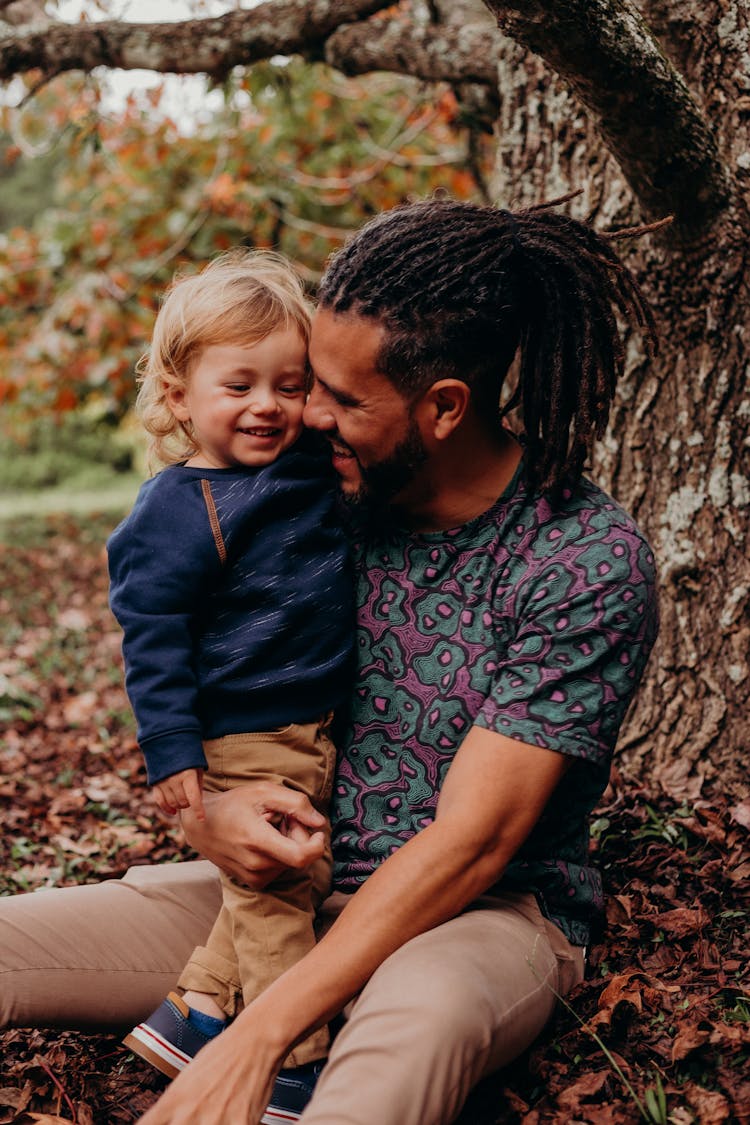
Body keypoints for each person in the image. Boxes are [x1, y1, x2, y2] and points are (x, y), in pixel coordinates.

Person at [0, 198, 659, 1125]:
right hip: (280, 889)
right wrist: (210, 818)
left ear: (441, 408)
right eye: (313, 382)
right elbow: (190, 651)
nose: (304, 413)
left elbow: (473, 845)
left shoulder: (580, 560)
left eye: (341, 399)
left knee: (401, 1044)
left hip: (477, 919)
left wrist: (261, 1036)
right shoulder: (321, 498)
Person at [106, 250, 353, 1083]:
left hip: (312, 721)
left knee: (295, 870)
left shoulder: (305, 467)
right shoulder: (176, 509)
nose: (267, 405)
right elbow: (152, 635)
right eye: (239, 384)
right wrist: (173, 751)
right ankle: (289, 1061)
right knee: (280, 891)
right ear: (178, 395)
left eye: (289, 385)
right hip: (245, 728)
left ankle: (196, 1011)